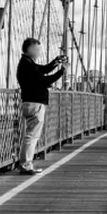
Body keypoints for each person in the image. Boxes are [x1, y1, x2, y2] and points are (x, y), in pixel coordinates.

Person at [15, 37, 66, 175]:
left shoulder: (26, 63)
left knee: (31, 135)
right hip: (35, 103)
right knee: (32, 136)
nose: (39, 52)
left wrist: (56, 62)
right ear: (30, 49)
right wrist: (61, 72)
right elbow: (44, 80)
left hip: (30, 102)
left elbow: (42, 69)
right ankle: (26, 165)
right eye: (37, 49)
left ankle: (25, 163)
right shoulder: (28, 65)